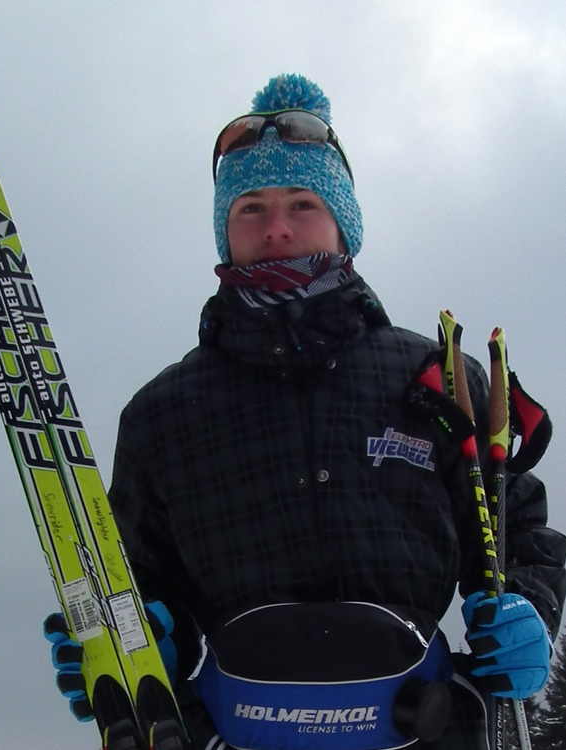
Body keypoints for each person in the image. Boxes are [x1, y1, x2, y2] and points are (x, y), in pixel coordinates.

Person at [46, 74, 566, 750]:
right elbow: (145, 574)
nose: (278, 228)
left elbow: (514, 530)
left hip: (427, 726)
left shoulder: (435, 379)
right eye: (250, 209)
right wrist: (144, 640)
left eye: (301, 203)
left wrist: (530, 605)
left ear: (343, 225)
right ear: (224, 231)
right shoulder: (162, 412)